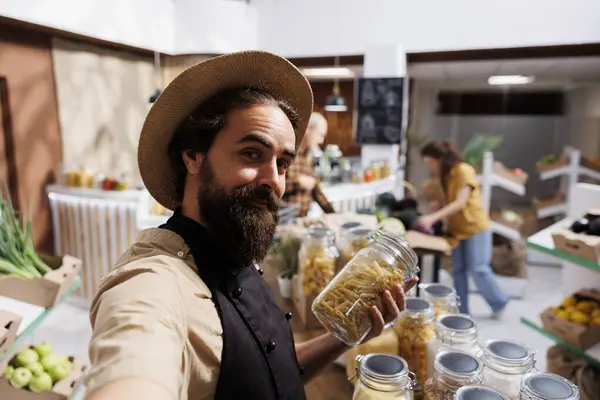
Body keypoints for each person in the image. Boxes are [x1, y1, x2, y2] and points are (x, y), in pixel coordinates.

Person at [85, 51, 417, 400]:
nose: (273, 180)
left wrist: (345, 335)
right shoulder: (153, 284)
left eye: (283, 162)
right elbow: (134, 365)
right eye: (251, 154)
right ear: (193, 156)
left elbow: (273, 370)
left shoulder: (233, 248)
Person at [418, 140, 509, 317]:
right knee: (458, 271)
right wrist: (439, 205)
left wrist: (433, 217)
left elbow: (460, 202)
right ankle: (462, 310)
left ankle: (499, 302)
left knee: (479, 268)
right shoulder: (447, 176)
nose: (430, 167)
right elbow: (453, 201)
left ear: (440, 159)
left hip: (475, 227)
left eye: (430, 162)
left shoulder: (463, 170)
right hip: (457, 229)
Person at [282, 111, 335, 217]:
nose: (322, 141)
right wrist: (297, 182)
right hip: (284, 218)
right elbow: (271, 187)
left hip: (300, 219)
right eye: (321, 135)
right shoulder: (289, 151)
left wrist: (333, 213)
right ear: (308, 128)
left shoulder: (307, 156)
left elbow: (315, 190)